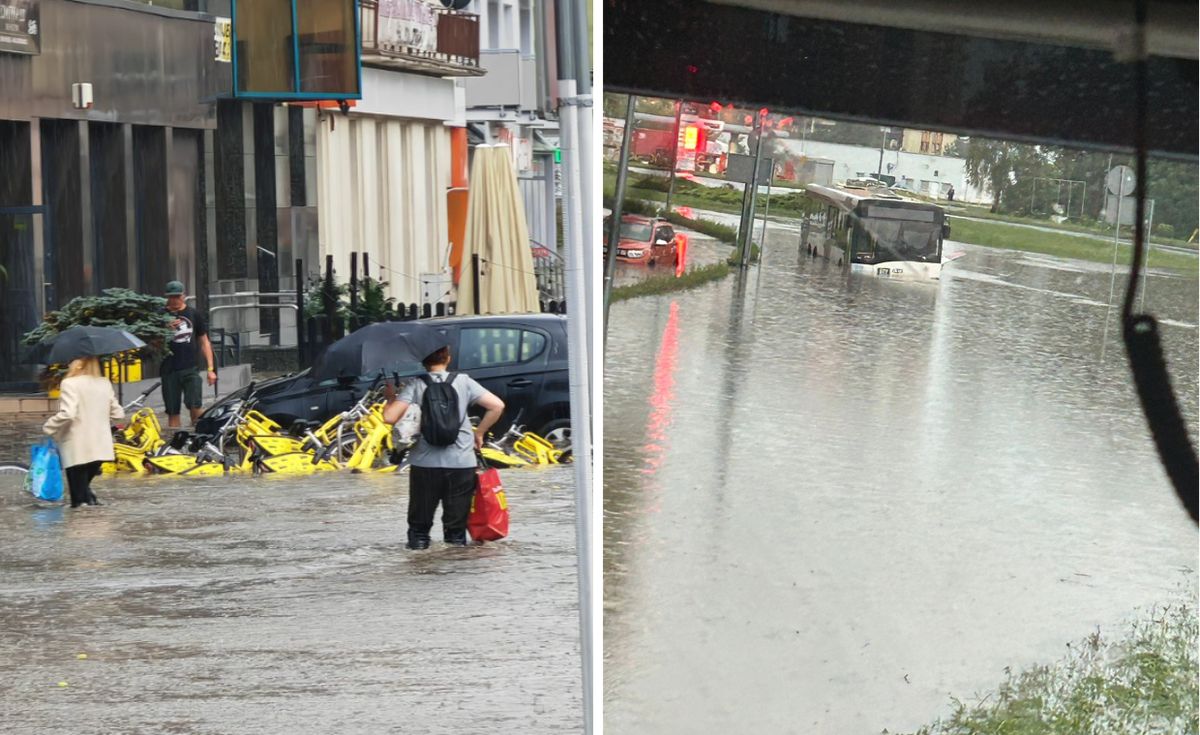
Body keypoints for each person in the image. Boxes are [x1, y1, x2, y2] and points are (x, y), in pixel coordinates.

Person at [382, 345, 505, 549]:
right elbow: (497, 406)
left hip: (425, 464)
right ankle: (453, 575)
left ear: (423, 361)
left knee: (419, 528)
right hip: (461, 463)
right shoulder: (464, 381)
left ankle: (419, 568)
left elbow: (389, 417)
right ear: (447, 358)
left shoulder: (415, 384)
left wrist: (390, 397)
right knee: (456, 531)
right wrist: (479, 432)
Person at [43, 357, 124, 508]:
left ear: (79, 363)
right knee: (84, 494)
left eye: (72, 360)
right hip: (100, 447)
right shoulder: (104, 383)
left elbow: (68, 413)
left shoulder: (70, 383)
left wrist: (49, 426)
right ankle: (95, 523)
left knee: (78, 500)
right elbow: (118, 414)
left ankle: (80, 528)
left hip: (77, 447)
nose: (69, 363)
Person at [160, 280, 216, 428]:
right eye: (172, 297)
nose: (175, 300)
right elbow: (152, 343)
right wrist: (165, 330)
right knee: (173, 411)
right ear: (167, 297)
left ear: (184, 296)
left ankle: (199, 436)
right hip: (169, 369)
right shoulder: (160, 315)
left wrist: (211, 369)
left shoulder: (193, 314)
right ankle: (174, 442)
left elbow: (204, 341)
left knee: (195, 405)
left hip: (190, 367)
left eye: (178, 296)